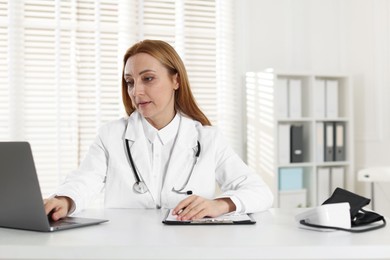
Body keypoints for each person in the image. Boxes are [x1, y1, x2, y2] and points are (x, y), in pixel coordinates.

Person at [44, 39, 273, 222]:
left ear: (176, 80)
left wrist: (220, 204)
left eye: (148, 79)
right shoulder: (111, 135)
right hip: (125, 248)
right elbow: (84, 180)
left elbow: (260, 192)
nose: (136, 91)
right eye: (130, 82)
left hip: (188, 248)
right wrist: (65, 199)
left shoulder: (208, 138)